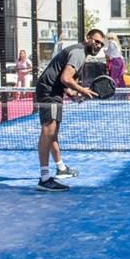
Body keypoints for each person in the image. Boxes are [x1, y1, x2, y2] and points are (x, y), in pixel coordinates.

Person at [34, 29, 105, 192]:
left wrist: (73, 94)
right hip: (49, 91)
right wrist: (82, 90)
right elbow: (65, 78)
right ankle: (44, 179)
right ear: (88, 38)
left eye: (101, 44)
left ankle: (61, 168)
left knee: (53, 132)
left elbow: (64, 81)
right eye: (96, 41)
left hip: (53, 90)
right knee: (48, 131)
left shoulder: (79, 53)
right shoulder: (78, 53)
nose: (98, 45)